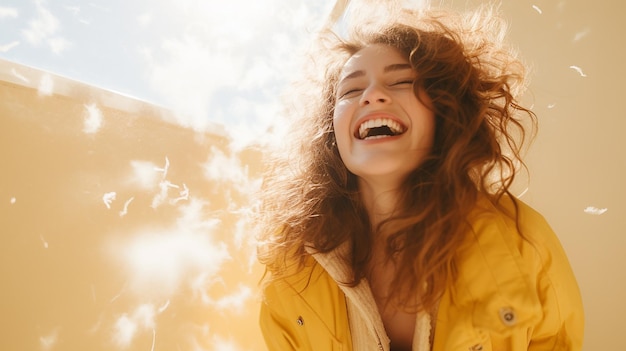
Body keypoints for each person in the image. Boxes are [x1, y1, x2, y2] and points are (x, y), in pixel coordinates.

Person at [255, 4, 584, 351]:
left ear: (443, 111)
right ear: (330, 131)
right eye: (350, 91)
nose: (372, 95)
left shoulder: (525, 245)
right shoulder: (290, 273)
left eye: (401, 81)